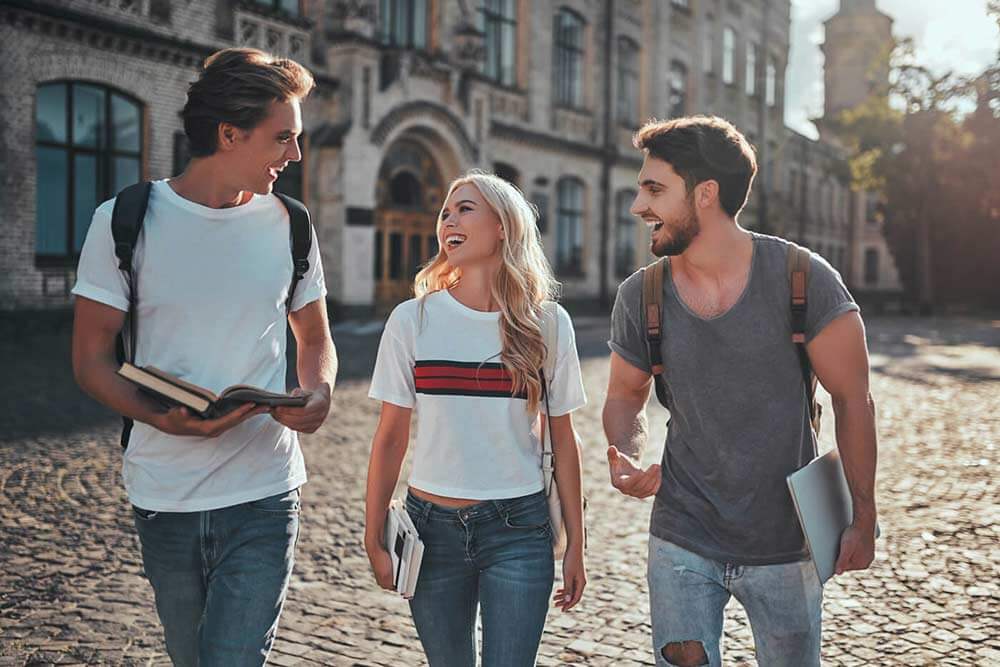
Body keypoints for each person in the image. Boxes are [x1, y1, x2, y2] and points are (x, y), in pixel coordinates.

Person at [71, 48, 337, 665]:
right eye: (283, 138)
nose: (293, 156)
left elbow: (316, 340)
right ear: (228, 133)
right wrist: (164, 418)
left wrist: (318, 390)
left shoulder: (291, 225)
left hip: (267, 490)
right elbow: (89, 361)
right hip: (166, 491)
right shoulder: (125, 222)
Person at [602, 116, 878, 667]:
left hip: (786, 540)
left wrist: (863, 512)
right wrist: (626, 453)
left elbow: (853, 400)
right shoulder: (642, 296)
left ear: (706, 195)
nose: (638, 206)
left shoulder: (804, 280)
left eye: (654, 189)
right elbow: (624, 396)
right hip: (681, 533)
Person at [364, 171, 587, 666]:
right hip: (429, 531)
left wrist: (576, 544)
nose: (449, 221)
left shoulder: (546, 324)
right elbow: (390, 437)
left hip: (519, 528)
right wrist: (372, 531)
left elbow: (564, 441)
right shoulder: (412, 320)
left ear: (503, 226)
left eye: (465, 208)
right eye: (445, 212)